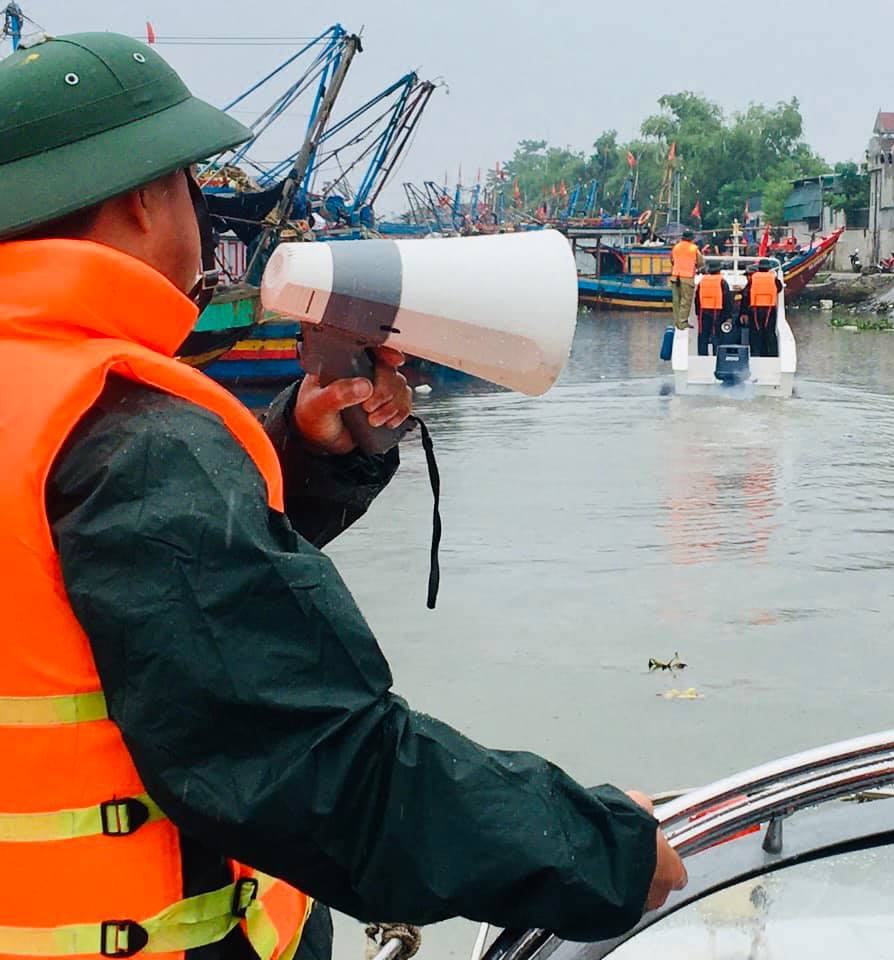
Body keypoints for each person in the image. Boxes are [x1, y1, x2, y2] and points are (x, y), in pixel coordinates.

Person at [0, 32, 686, 960]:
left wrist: (302, 453)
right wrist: (596, 847)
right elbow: (322, 769)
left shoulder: (56, 417)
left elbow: (78, 605)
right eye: (189, 185)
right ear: (141, 200)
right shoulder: (131, 438)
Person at [741, 264, 783, 358]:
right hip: (769, 309)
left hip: (755, 309)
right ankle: (772, 357)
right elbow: (779, 288)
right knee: (770, 333)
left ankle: (755, 356)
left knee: (756, 333)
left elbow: (746, 295)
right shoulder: (773, 278)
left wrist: (744, 312)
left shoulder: (753, 279)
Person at [668, 229, 704, 330]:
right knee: (686, 300)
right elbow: (701, 262)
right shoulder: (693, 248)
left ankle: (677, 322)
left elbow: (671, 260)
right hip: (687, 277)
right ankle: (683, 322)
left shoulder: (676, 247)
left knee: (676, 301)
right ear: (691, 239)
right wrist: (695, 266)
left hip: (675, 277)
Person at [694, 265, 732, 357]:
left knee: (703, 336)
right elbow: (727, 300)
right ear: (719, 272)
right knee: (717, 336)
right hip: (717, 312)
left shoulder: (701, 282)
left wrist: (698, 312)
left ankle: (702, 358)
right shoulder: (722, 282)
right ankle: (717, 357)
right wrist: (728, 316)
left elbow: (697, 299)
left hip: (704, 312)